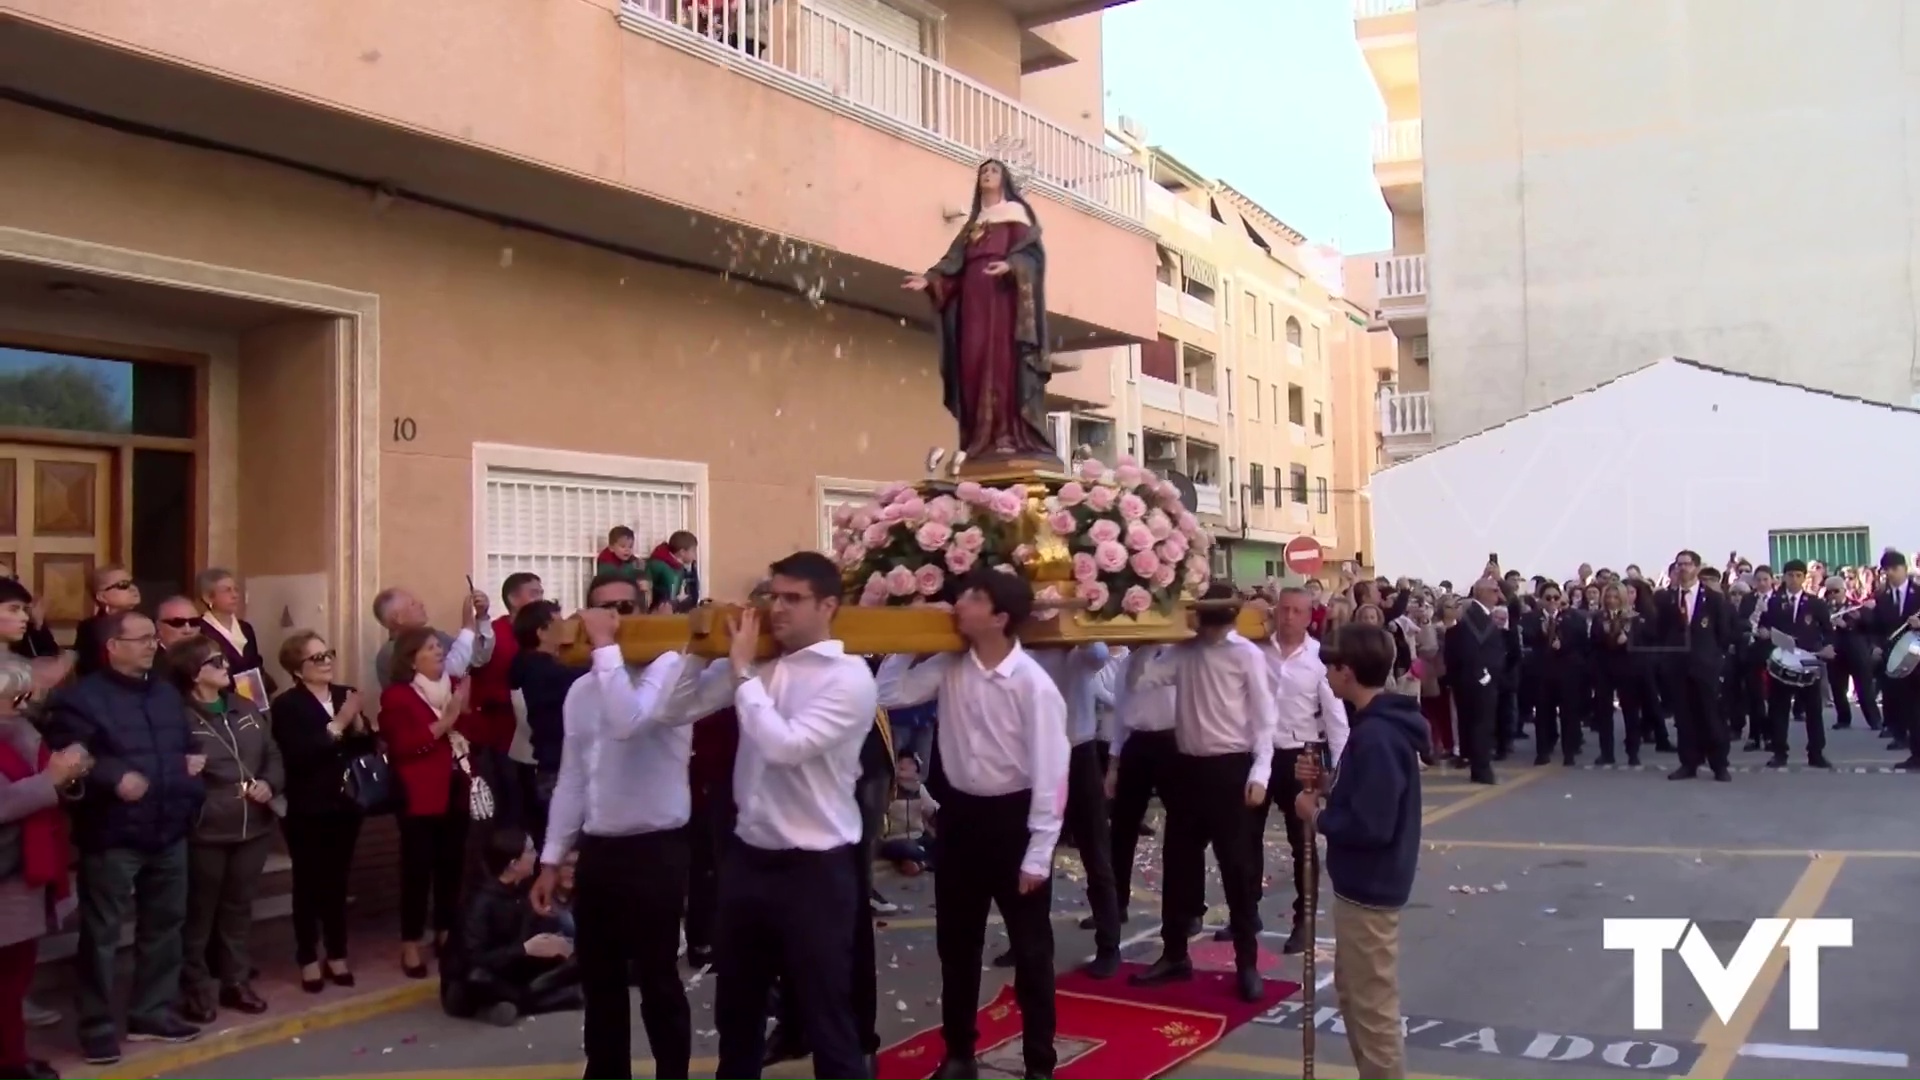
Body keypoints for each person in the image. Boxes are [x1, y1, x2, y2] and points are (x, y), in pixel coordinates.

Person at [668, 552, 878, 1080]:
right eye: (772, 596)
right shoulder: (761, 662)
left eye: (792, 598)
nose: (777, 608)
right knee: (737, 1012)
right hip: (748, 859)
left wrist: (741, 674)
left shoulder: (848, 677)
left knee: (827, 1015)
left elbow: (785, 746)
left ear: (827, 606)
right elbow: (673, 711)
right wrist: (699, 650)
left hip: (815, 868)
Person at [877, 571, 1068, 1080]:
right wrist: (909, 637)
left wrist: (1038, 853)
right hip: (960, 819)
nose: (959, 604)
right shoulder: (949, 664)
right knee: (957, 944)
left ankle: (1039, 1062)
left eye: (974, 598)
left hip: (1014, 822)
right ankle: (959, 1052)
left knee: (1031, 949)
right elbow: (889, 692)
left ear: (1001, 617)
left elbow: (1052, 772)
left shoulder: (1032, 684)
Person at [530, 572, 691, 1080]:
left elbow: (629, 722)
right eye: (603, 610)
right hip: (601, 849)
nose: (614, 619)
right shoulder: (581, 691)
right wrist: (551, 858)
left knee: (658, 978)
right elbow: (573, 778)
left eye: (624, 608)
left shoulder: (670, 669)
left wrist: (605, 649)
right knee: (599, 979)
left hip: (657, 848)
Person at [43, 609, 205, 1066]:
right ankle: (96, 1026)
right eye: (141, 638)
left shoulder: (165, 692)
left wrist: (191, 764)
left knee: (165, 924)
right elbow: (69, 754)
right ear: (113, 647)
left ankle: (152, 1012)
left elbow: (183, 741)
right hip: (113, 832)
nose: (152, 645)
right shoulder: (81, 699)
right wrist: (113, 776)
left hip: (169, 825)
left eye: (153, 637)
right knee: (102, 934)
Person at [1125, 582, 1278, 1003]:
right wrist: (1146, 640)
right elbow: (1141, 683)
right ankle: (1175, 954)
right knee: (1178, 866)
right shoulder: (1181, 652)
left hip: (1230, 769)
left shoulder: (1246, 654)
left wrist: (1261, 772)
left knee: (1237, 869)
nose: (1209, 626)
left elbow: (1265, 719)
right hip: (1186, 768)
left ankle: (1246, 962)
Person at [1295, 623, 1424, 1080]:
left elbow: (1372, 824)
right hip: (1363, 884)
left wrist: (1316, 815)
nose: (1326, 674)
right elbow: (1367, 797)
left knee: (1372, 1011)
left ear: (1347, 671)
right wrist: (1328, 785)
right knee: (1356, 997)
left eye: (1331, 666)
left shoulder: (1377, 736)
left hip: (1371, 886)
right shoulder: (1371, 728)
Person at [905, 158, 1054, 467]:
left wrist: (1011, 266)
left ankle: (1005, 436)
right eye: (983, 171)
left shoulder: (1015, 215)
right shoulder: (972, 226)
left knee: (1001, 364)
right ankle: (978, 438)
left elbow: (1032, 259)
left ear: (1004, 180)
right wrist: (931, 281)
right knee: (971, 364)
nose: (987, 174)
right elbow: (952, 266)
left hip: (1002, 303)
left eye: (994, 171)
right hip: (973, 305)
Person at [171, 635, 283, 1022]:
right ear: (193, 673)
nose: (226, 667)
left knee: (239, 907)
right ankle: (195, 986)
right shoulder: (180, 716)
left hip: (254, 824)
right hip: (208, 827)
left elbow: (272, 753)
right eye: (215, 662)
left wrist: (270, 783)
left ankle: (235, 980)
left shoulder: (244, 705)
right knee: (200, 912)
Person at [270, 631, 375, 993]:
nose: (326, 661)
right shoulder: (287, 706)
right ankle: (307, 957)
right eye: (316, 657)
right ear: (297, 669)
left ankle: (337, 952)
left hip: (346, 803)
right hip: (307, 807)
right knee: (308, 883)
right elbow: (299, 755)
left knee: (337, 881)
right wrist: (339, 724)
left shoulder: (345, 694)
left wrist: (358, 726)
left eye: (327, 653)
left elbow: (365, 747)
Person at [0, 656, 88, 1080]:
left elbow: (42, 781)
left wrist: (68, 774)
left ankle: (13, 1056)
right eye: (14, 696)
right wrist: (51, 779)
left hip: (26, 867)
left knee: (15, 977)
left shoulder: (20, 730)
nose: (23, 704)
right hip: (6, 873)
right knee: (6, 979)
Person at [1252, 588, 1349, 955]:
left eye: (1297, 611)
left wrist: (1339, 773)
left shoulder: (1319, 659)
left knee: (1302, 844)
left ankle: (1303, 919)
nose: (1289, 617)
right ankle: (1246, 913)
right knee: (1245, 839)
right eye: (1284, 609)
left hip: (1302, 755)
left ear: (1310, 617)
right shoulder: (1257, 651)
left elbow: (1336, 721)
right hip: (1259, 754)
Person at [379, 629, 475, 979]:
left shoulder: (454, 686)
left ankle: (446, 932)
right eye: (430, 647)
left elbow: (471, 730)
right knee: (417, 870)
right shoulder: (398, 696)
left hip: (456, 788)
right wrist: (445, 721)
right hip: (419, 794)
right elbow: (403, 745)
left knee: (452, 866)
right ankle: (411, 942)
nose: (439, 651)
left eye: (439, 646)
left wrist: (464, 712)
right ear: (411, 659)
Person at [441, 827, 581, 1027]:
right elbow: (474, 959)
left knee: (575, 960)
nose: (536, 855)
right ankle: (544, 1000)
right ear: (514, 864)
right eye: (530, 851)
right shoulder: (480, 901)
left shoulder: (522, 890)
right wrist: (525, 949)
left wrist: (552, 943)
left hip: (510, 968)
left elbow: (529, 935)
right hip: (473, 981)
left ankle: (510, 1003)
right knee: (478, 976)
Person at [506, 599, 584, 849]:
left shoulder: (528, 664)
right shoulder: (541, 670)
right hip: (558, 769)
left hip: (550, 766)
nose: (566, 629)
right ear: (541, 632)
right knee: (566, 850)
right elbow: (587, 677)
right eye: (559, 623)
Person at [1660, 550, 1735, 782]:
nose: (1683, 568)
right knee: (1684, 718)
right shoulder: (1667, 598)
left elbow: (1723, 633)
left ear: (1697, 567)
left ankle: (1719, 764)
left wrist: (1714, 659)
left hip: (1705, 666)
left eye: (1687, 564)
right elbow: (1661, 631)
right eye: (1679, 564)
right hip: (1678, 666)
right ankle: (1689, 762)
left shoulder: (1713, 599)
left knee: (1711, 716)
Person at [1757, 560, 1835, 769]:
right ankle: (1779, 752)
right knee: (1778, 709)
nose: (1794, 579)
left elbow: (1828, 630)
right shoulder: (1773, 602)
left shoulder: (1815, 603)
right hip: (1782, 661)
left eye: (1798, 575)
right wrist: (1763, 633)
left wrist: (1828, 647)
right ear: (1783, 577)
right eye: (1790, 575)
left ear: (1804, 578)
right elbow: (1763, 626)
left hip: (1808, 660)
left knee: (1813, 710)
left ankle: (1816, 753)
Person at [370, 586, 494, 691]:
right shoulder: (391, 653)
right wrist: (467, 628)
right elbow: (447, 674)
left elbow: (477, 659)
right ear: (398, 618)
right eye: (413, 604)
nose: (421, 604)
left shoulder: (435, 636)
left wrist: (482, 617)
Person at [193, 568, 277, 701]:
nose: (235, 595)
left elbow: (255, 664)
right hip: (219, 697)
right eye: (227, 590)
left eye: (235, 589)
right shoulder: (200, 629)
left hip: (252, 699)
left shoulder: (246, 628)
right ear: (208, 597)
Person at [1872, 550, 1920, 768]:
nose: (1890, 573)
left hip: (1917, 658)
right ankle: (1914, 752)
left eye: (1894, 568)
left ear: (1904, 569)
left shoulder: (1918, 593)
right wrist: (1876, 646)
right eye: (1886, 570)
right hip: (1895, 660)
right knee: (1906, 707)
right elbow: (1877, 628)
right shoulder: (1882, 598)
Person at [70, 566, 141, 680]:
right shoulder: (90, 628)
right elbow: (87, 671)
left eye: (132, 583)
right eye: (123, 585)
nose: (133, 588)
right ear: (102, 596)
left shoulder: (145, 624)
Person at [646, 531, 701, 611]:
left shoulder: (681, 567)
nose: (695, 555)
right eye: (693, 551)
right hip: (660, 612)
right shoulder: (659, 565)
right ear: (682, 552)